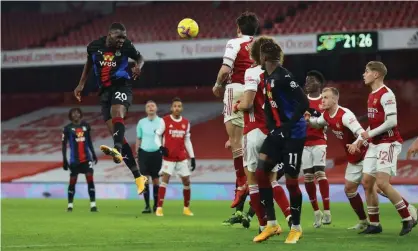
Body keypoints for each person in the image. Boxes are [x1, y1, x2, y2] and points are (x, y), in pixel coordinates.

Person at [73, 22, 147, 195]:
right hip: (104, 92)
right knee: (116, 132)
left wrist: (138, 67)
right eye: (118, 37)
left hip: (122, 85)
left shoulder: (127, 46)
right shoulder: (93, 47)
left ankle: (117, 150)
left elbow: (140, 58)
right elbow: (89, 64)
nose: (122, 40)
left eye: (124, 37)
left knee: (117, 114)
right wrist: (80, 84)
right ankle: (138, 177)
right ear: (109, 35)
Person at [253, 39, 309, 244]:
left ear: (265, 57)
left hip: (294, 134)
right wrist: (273, 129)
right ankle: (272, 224)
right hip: (277, 133)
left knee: (291, 182)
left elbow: (303, 102)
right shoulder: (266, 78)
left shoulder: (284, 76)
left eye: (260, 56)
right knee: (261, 172)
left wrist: (287, 126)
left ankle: (296, 227)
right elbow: (269, 106)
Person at [234, 36, 291, 232]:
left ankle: (263, 225)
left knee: (254, 183)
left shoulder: (252, 72)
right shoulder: (280, 74)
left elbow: (248, 104)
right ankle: (290, 217)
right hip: (274, 132)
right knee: (272, 179)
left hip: (255, 130)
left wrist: (238, 105)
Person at [356, 61, 415, 235]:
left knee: (382, 183)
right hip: (375, 144)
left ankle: (407, 217)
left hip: (388, 143)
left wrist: (370, 134)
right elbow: (375, 122)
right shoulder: (371, 94)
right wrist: (362, 138)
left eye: (366, 71)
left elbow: (392, 122)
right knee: (367, 183)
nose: (363, 74)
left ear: (376, 74)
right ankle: (374, 224)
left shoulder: (386, 94)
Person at [212, 11, 259, 210]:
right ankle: (247, 204)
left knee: (235, 142)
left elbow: (225, 70)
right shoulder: (260, 44)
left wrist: (216, 85)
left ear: (239, 28)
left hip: (237, 89)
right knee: (252, 141)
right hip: (257, 90)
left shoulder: (234, 42)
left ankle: (242, 183)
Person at [306, 87, 370, 230]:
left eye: (326, 97)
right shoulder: (327, 115)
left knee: (379, 188)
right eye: (322, 97)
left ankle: (407, 211)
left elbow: (362, 133)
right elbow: (317, 123)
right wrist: (308, 120)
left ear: (334, 99)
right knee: (349, 189)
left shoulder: (345, 115)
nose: (322, 100)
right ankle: (363, 221)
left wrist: (354, 144)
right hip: (354, 158)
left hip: (366, 154)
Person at [154, 98, 196, 217]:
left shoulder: (186, 122)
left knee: (187, 181)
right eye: (175, 106)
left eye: (179, 106)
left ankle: (186, 208)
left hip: (182, 157)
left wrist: (192, 157)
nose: (177, 108)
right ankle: (159, 208)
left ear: (182, 108)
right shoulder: (165, 120)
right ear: (171, 108)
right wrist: (160, 147)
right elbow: (157, 135)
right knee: (165, 180)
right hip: (168, 157)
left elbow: (187, 140)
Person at [301, 70, 331, 228]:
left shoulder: (324, 100)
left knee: (320, 173)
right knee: (307, 178)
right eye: (306, 80)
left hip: (319, 140)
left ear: (319, 83)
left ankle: (327, 211)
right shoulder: (301, 100)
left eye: (311, 80)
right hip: (303, 143)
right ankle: (316, 212)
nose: (307, 83)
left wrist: (312, 121)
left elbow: (328, 120)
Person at [62, 108, 98, 212]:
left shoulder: (86, 126)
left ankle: (93, 205)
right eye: (73, 113)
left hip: (87, 159)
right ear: (70, 116)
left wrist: (94, 154)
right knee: (72, 182)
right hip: (74, 160)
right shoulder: (67, 128)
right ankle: (70, 206)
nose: (76, 115)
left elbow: (89, 141)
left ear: (80, 114)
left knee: (90, 180)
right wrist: (64, 160)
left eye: (77, 113)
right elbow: (64, 145)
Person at [136, 100, 162, 213]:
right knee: (145, 180)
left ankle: (156, 205)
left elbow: (165, 138)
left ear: (156, 108)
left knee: (156, 180)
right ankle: (147, 206)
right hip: (144, 153)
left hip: (157, 153)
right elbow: (138, 138)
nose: (150, 107)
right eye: (148, 106)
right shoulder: (141, 122)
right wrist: (137, 153)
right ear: (146, 109)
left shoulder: (162, 122)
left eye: (152, 105)